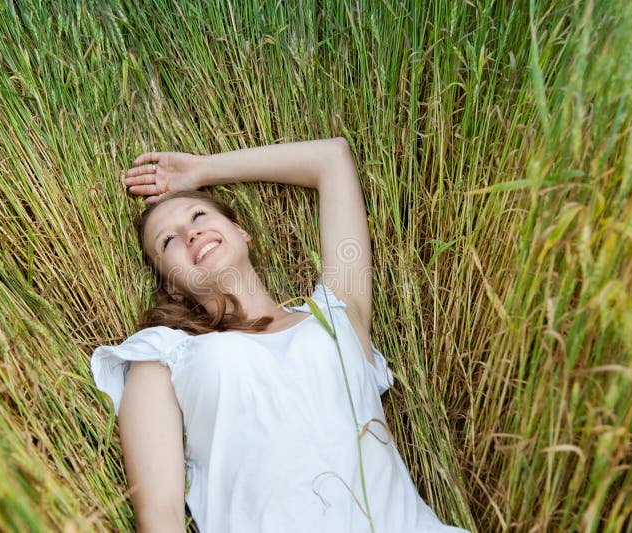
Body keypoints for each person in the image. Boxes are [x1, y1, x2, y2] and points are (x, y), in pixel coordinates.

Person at [91, 138, 468, 533]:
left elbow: (332, 158)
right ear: (171, 287)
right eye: (168, 240)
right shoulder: (163, 356)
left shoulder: (339, 311)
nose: (190, 234)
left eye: (199, 214)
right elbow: (160, 513)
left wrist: (201, 170)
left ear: (241, 232)